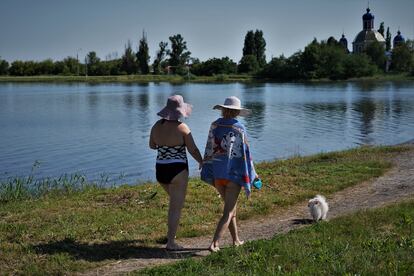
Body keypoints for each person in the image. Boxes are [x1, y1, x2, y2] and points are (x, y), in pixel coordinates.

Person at [201, 96, 258, 252]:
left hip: (218, 175)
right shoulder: (239, 128)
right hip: (233, 175)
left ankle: (236, 240)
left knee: (231, 209)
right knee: (229, 211)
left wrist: (206, 166)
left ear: (223, 109)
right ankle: (215, 244)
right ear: (237, 112)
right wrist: (253, 174)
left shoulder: (214, 125)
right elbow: (245, 154)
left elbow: (209, 148)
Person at [149, 95, 203, 250]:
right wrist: (201, 161)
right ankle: (171, 242)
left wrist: (165, 145)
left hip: (161, 170)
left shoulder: (156, 126)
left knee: (175, 203)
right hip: (177, 170)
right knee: (175, 207)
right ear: (180, 112)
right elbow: (192, 149)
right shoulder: (183, 128)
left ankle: (171, 236)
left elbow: (152, 146)